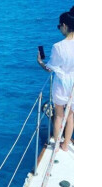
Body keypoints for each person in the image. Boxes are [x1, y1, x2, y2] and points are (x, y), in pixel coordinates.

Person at [37, 6, 74, 151]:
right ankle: (65, 146)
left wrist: (40, 62)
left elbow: (49, 68)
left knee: (59, 114)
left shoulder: (58, 47)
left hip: (62, 83)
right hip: (76, 83)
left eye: (59, 26)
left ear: (65, 26)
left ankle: (57, 146)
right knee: (71, 115)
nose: (59, 28)